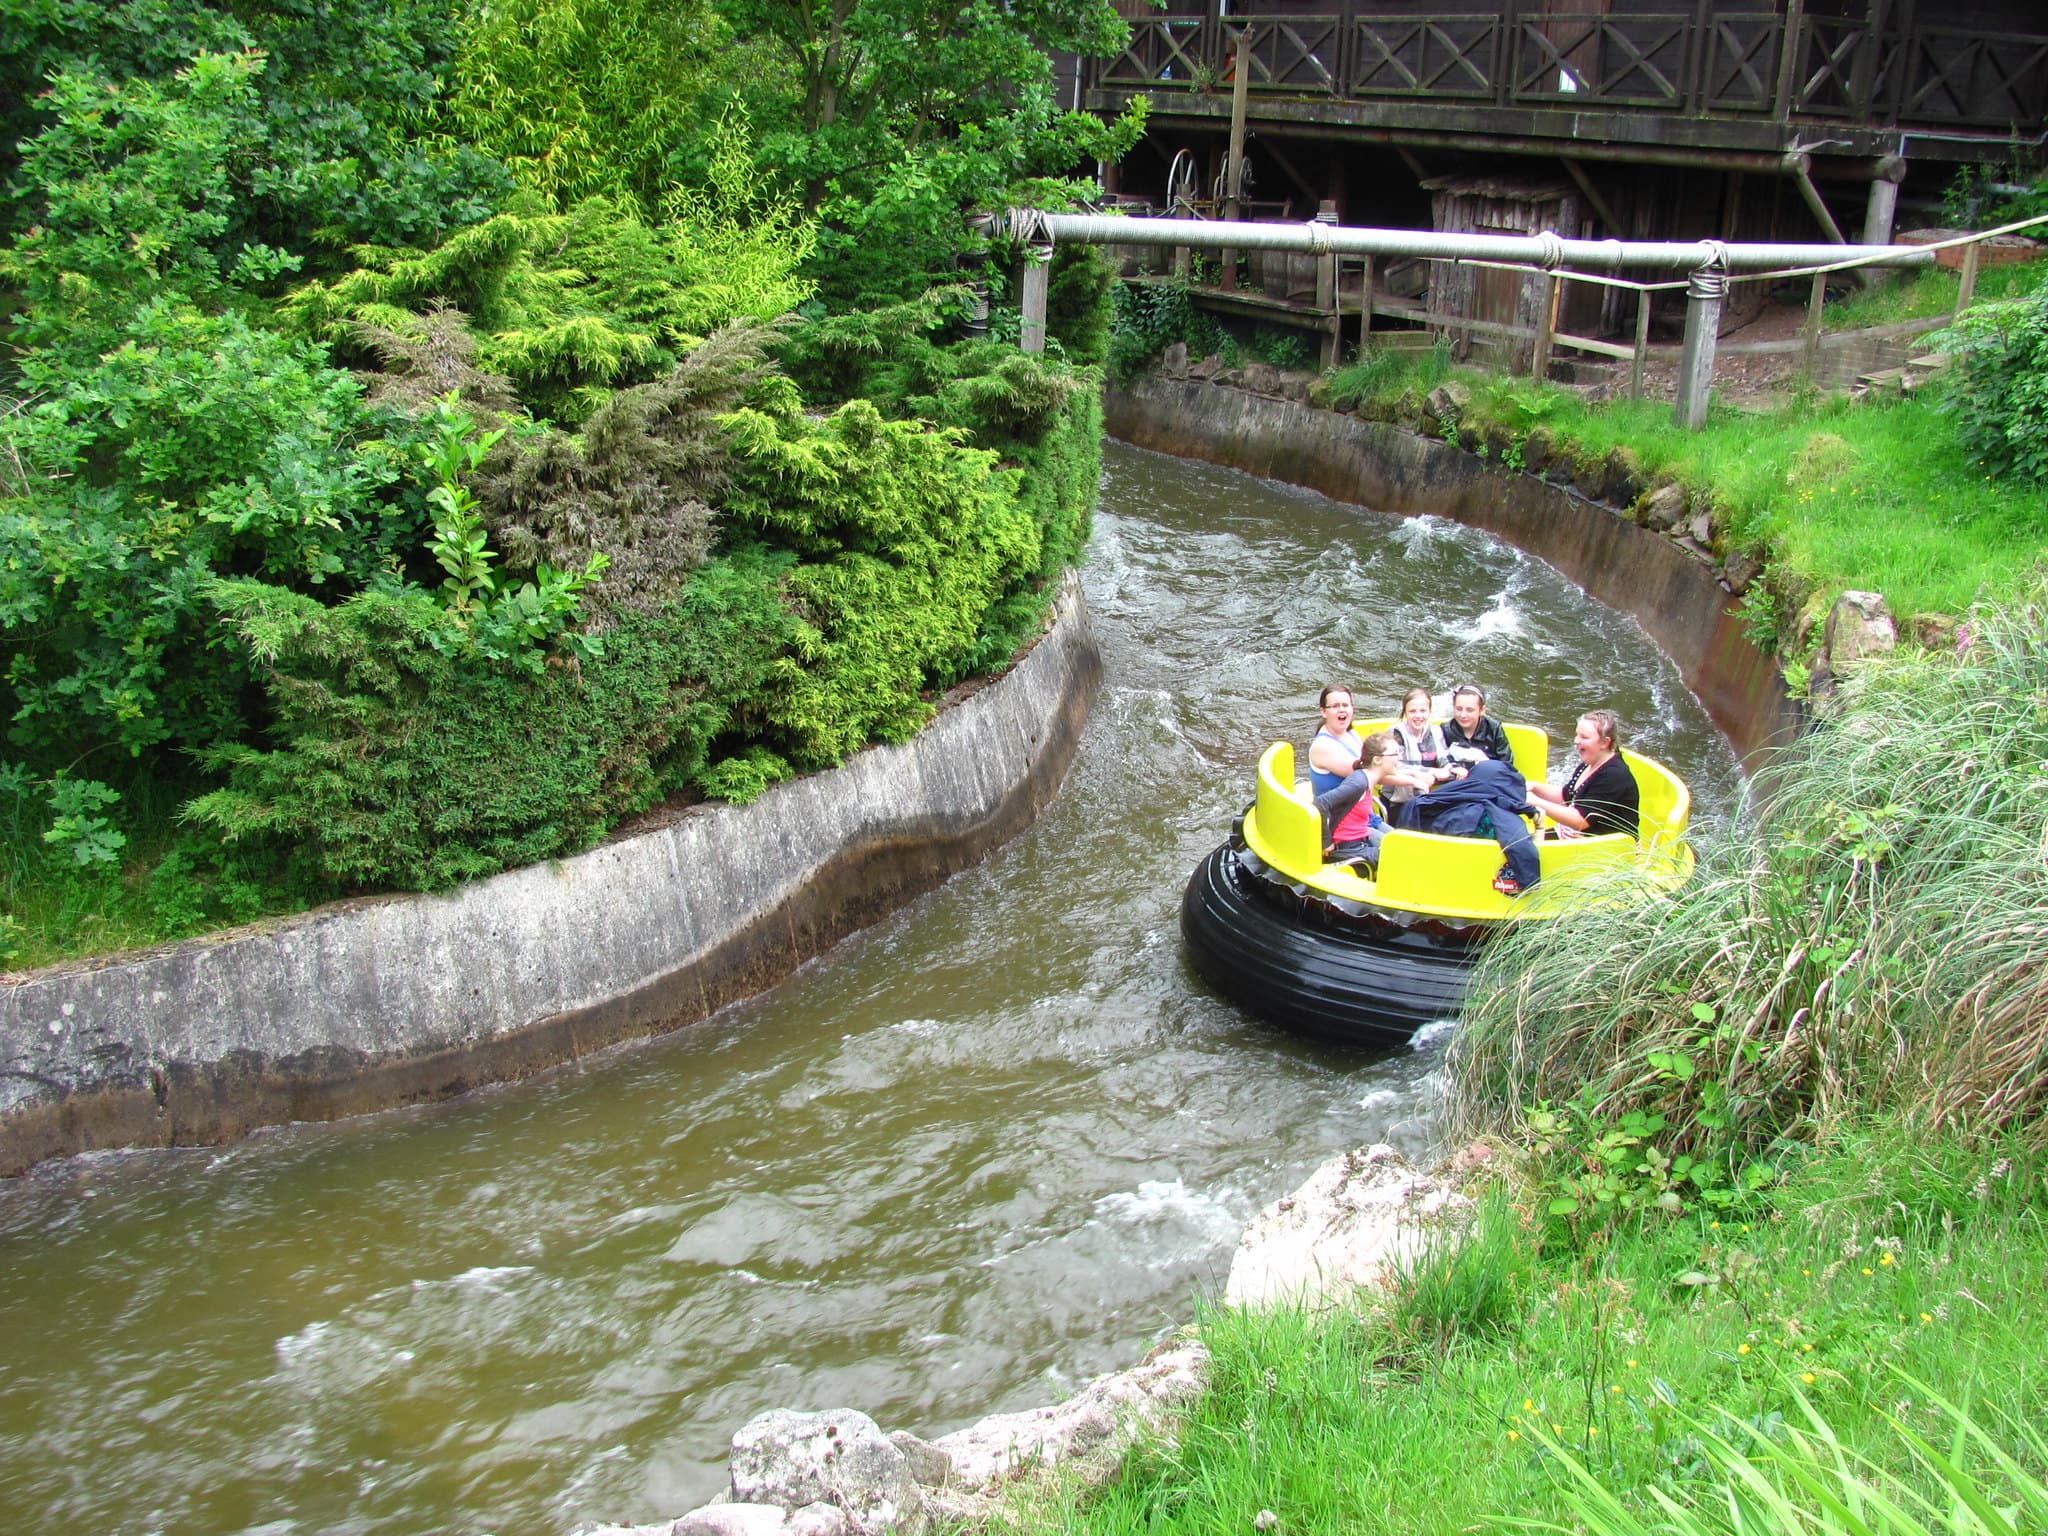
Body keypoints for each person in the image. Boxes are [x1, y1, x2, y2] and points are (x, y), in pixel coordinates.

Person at [1526, 708, 1639, 840]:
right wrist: (1534, 787)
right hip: (1571, 836)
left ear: (1605, 742)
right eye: (1577, 734)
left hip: (1601, 847)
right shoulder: (1590, 763)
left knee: (1516, 855)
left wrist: (1535, 802)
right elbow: (1566, 796)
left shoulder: (1614, 775)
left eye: (1584, 737)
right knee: (1516, 845)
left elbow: (1580, 821)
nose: (1576, 740)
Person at [1313, 730, 1404, 869]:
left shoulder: (1369, 778)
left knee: (1403, 844)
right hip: (1349, 846)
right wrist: (1326, 842)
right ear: (1377, 760)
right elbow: (1321, 803)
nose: (1400, 757)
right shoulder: (1358, 783)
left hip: (1361, 837)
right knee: (1401, 857)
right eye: (1395, 754)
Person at [1384, 687, 1459, 808]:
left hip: (1427, 790)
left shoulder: (1435, 730)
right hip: (1398, 798)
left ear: (1429, 712)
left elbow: (1442, 756)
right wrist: (1431, 771)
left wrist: (1450, 768)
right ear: (1405, 713)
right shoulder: (1396, 732)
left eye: (1423, 711)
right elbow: (1396, 766)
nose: (1418, 716)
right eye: (1413, 711)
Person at [1441, 684, 1516, 774]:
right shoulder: (1445, 730)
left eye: (1470, 710)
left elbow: (1507, 764)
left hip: (1489, 778)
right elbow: (1439, 760)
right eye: (1459, 709)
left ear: (1482, 710)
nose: (1463, 715)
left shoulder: (1494, 729)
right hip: (1458, 780)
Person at [1307, 685, 1364, 797]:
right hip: (1338, 812)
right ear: (1323, 712)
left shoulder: (1350, 733)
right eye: (1335, 706)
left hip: (1358, 806)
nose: (1341, 709)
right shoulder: (1323, 747)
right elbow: (1366, 773)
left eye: (1345, 705)